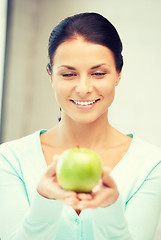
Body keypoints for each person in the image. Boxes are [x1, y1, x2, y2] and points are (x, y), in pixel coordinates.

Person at [0, 12, 161, 240]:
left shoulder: (151, 164)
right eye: (68, 74)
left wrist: (109, 207)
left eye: (98, 73)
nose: (84, 88)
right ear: (51, 76)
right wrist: (45, 201)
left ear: (118, 74)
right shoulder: (10, 159)